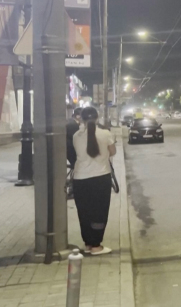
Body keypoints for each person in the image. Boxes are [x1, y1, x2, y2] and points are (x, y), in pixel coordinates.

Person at [72, 107, 115, 255]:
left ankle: (88, 243)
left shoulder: (76, 136)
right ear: (97, 118)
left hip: (80, 179)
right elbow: (113, 152)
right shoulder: (105, 134)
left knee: (84, 212)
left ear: (81, 119)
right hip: (100, 177)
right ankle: (96, 245)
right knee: (99, 211)